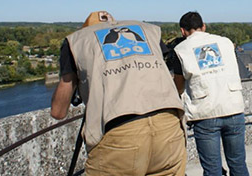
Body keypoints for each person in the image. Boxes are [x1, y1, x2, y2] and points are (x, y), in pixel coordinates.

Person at [51, 11, 187, 176]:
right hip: (169, 126)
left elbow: (58, 112)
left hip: (120, 133)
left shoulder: (77, 41)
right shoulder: (148, 31)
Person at [172, 12, 250, 176]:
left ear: (182, 31)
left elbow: (178, 86)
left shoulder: (180, 50)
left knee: (212, 170)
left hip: (205, 113)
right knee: (238, 164)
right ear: (204, 26)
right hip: (233, 108)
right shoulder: (226, 42)